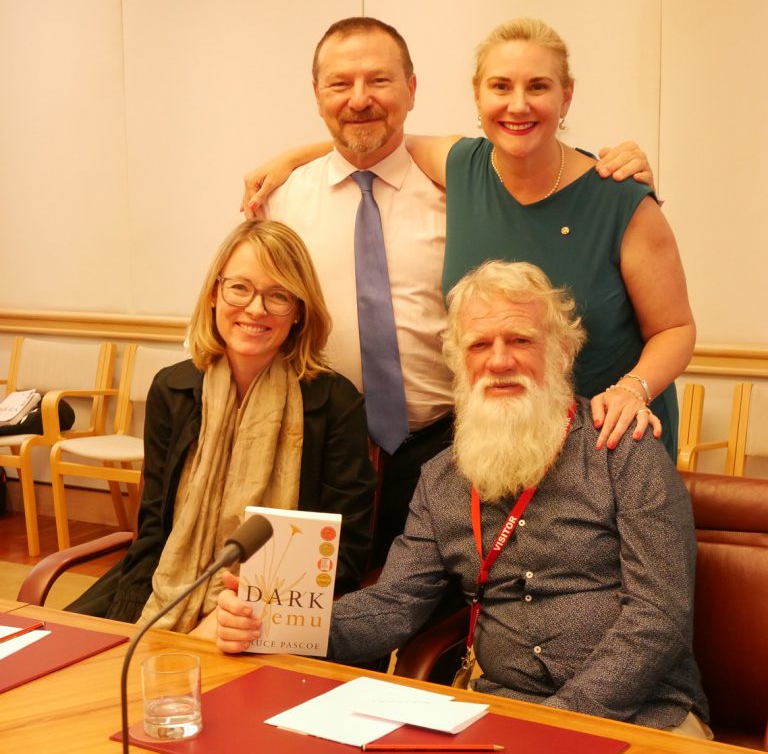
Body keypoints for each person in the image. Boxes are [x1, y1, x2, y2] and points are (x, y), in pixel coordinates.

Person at [212, 260, 710, 737]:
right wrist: (277, 625)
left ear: (560, 353)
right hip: (498, 713)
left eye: (520, 340)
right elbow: (396, 603)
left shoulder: (622, 449)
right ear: (458, 362)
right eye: (479, 345)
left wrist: (561, 721)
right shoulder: (441, 478)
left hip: (641, 715)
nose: (499, 360)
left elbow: (658, 615)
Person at [241, 16, 653, 565]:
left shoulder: (461, 185)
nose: (360, 99)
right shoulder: (281, 202)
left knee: (436, 607)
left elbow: (535, 173)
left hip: (448, 447)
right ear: (316, 93)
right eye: (340, 84)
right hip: (319, 443)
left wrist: (627, 173)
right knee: (318, 610)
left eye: (380, 82)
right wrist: (293, 157)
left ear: (412, 89)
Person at [403, 18, 695, 459]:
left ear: (566, 96)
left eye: (538, 87)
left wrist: (631, 390)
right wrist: (290, 161)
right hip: (505, 444)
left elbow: (676, 329)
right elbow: (378, 142)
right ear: (478, 96)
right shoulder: (462, 165)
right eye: (500, 87)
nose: (518, 105)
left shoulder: (621, 198)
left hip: (610, 445)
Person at [67, 219, 376, 631]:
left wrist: (240, 609)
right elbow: (153, 532)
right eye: (240, 288)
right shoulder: (172, 389)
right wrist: (133, 619)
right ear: (214, 293)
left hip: (274, 610)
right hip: (165, 588)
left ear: (299, 311)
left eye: (278, 295)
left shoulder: (335, 403)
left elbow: (345, 550)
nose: (255, 309)